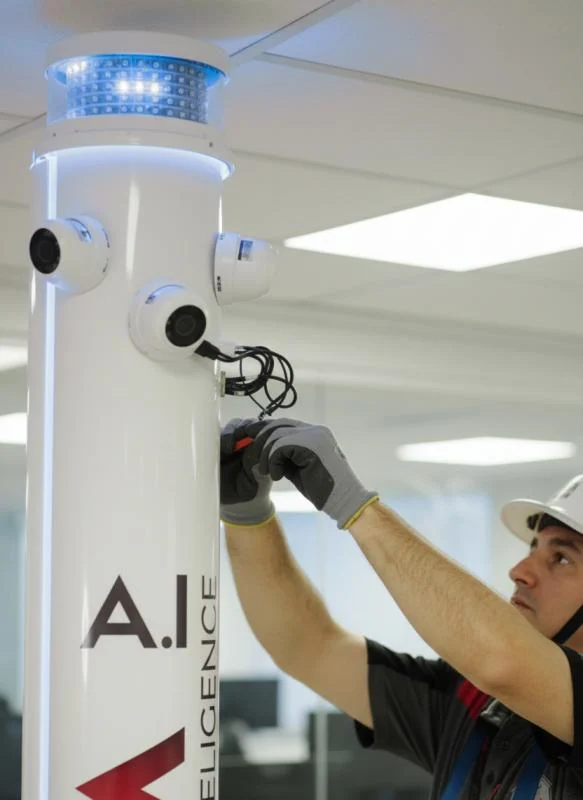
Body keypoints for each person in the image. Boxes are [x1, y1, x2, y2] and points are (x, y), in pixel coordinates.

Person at [220, 417, 583, 799]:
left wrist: (354, 506)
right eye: (532, 549)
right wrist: (247, 517)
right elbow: (307, 647)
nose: (520, 571)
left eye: (561, 558)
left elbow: (501, 662)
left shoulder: (498, 677)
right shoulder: (473, 703)